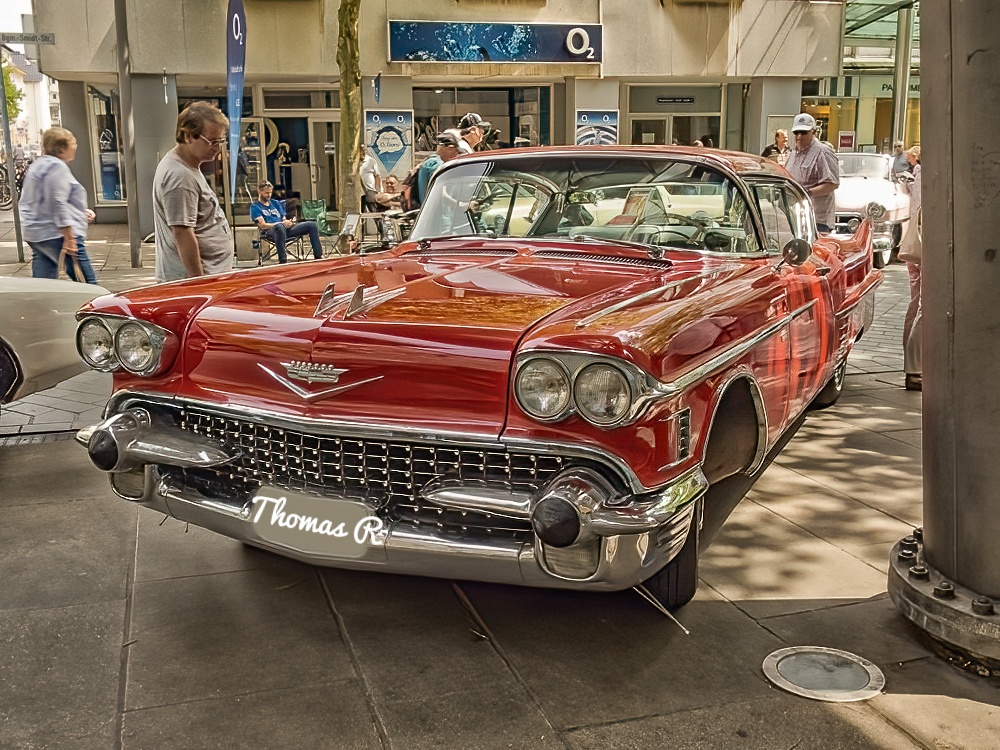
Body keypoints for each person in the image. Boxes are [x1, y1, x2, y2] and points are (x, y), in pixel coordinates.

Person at [152, 101, 233, 281]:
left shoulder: (188, 166)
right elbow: (182, 232)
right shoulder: (180, 177)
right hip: (197, 282)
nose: (218, 147)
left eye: (221, 141)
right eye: (212, 141)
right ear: (188, 136)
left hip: (209, 276)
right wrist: (198, 282)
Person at [20, 127, 99, 284]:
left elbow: (46, 201)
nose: (75, 147)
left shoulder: (38, 165)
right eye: (73, 143)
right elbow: (57, 201)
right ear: (62, 147)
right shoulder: (57, 167)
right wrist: (69, 236)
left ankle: (41, 307)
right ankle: (96, 307)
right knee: (89, 285)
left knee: (44, 284)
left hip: (37, 234)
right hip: (57, 235)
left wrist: (79, 212)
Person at [785, 113, 840, 233]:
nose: (799, 136)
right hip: (795, 218)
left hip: (817, 222)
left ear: (814, 132)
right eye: (796, 132)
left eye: (804, 132)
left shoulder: (823, 152)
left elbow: (832, 184)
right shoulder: (793, 153)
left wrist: (806, 193)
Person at [898, 145, 922, 391]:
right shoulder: (924, 175)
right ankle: (914, 369)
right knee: (924, 305)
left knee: (915, 303)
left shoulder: (916, 177)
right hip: (924, 245)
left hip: (914, 245)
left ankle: (910, 363)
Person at [250, 181, 323, 262]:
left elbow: (283, 218)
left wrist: (288, 222)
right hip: (271, 232)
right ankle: (283, 260)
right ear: (259, 191)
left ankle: (318, 256)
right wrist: (281, 223)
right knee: (279, 227)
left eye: (270, 192)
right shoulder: (255, 207)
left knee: (312, 225)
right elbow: (263, 225)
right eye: (266, 193)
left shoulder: (275, 203)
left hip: (285, 230)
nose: (269, 195)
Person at [416, 132, 461, 206]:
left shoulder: (429, 161)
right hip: (438, 214)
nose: (456, 154)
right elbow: (440, 194)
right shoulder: (437, 165)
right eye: (456, 150)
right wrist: (461, 205)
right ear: (449, 148)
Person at [359, 143, 382, 212]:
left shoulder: (371, 161)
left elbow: (377, 175)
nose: (363, 152)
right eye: (361, 150)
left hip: (370, 190)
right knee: (360, 212)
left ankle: (380, 223)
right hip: (359, 192)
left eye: (365, 150)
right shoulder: (354, 162)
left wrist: (380, 189)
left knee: (374, 210)